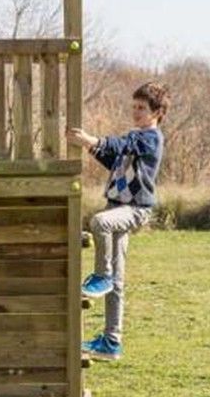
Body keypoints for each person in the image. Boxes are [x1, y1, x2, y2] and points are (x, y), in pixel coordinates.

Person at [67, 81, 170, 361]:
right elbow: (115, 158)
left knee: (100, 222)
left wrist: (93, 139)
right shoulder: (135, 137)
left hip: (134, 210)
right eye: (134, 107)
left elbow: (123, 144)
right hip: (118, 207)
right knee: (119, 283)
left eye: (142, 108)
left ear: (157, 112)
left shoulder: (150, 138)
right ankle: (112, 341)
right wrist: (90, 147)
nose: (136, 112)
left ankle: (102, 275)